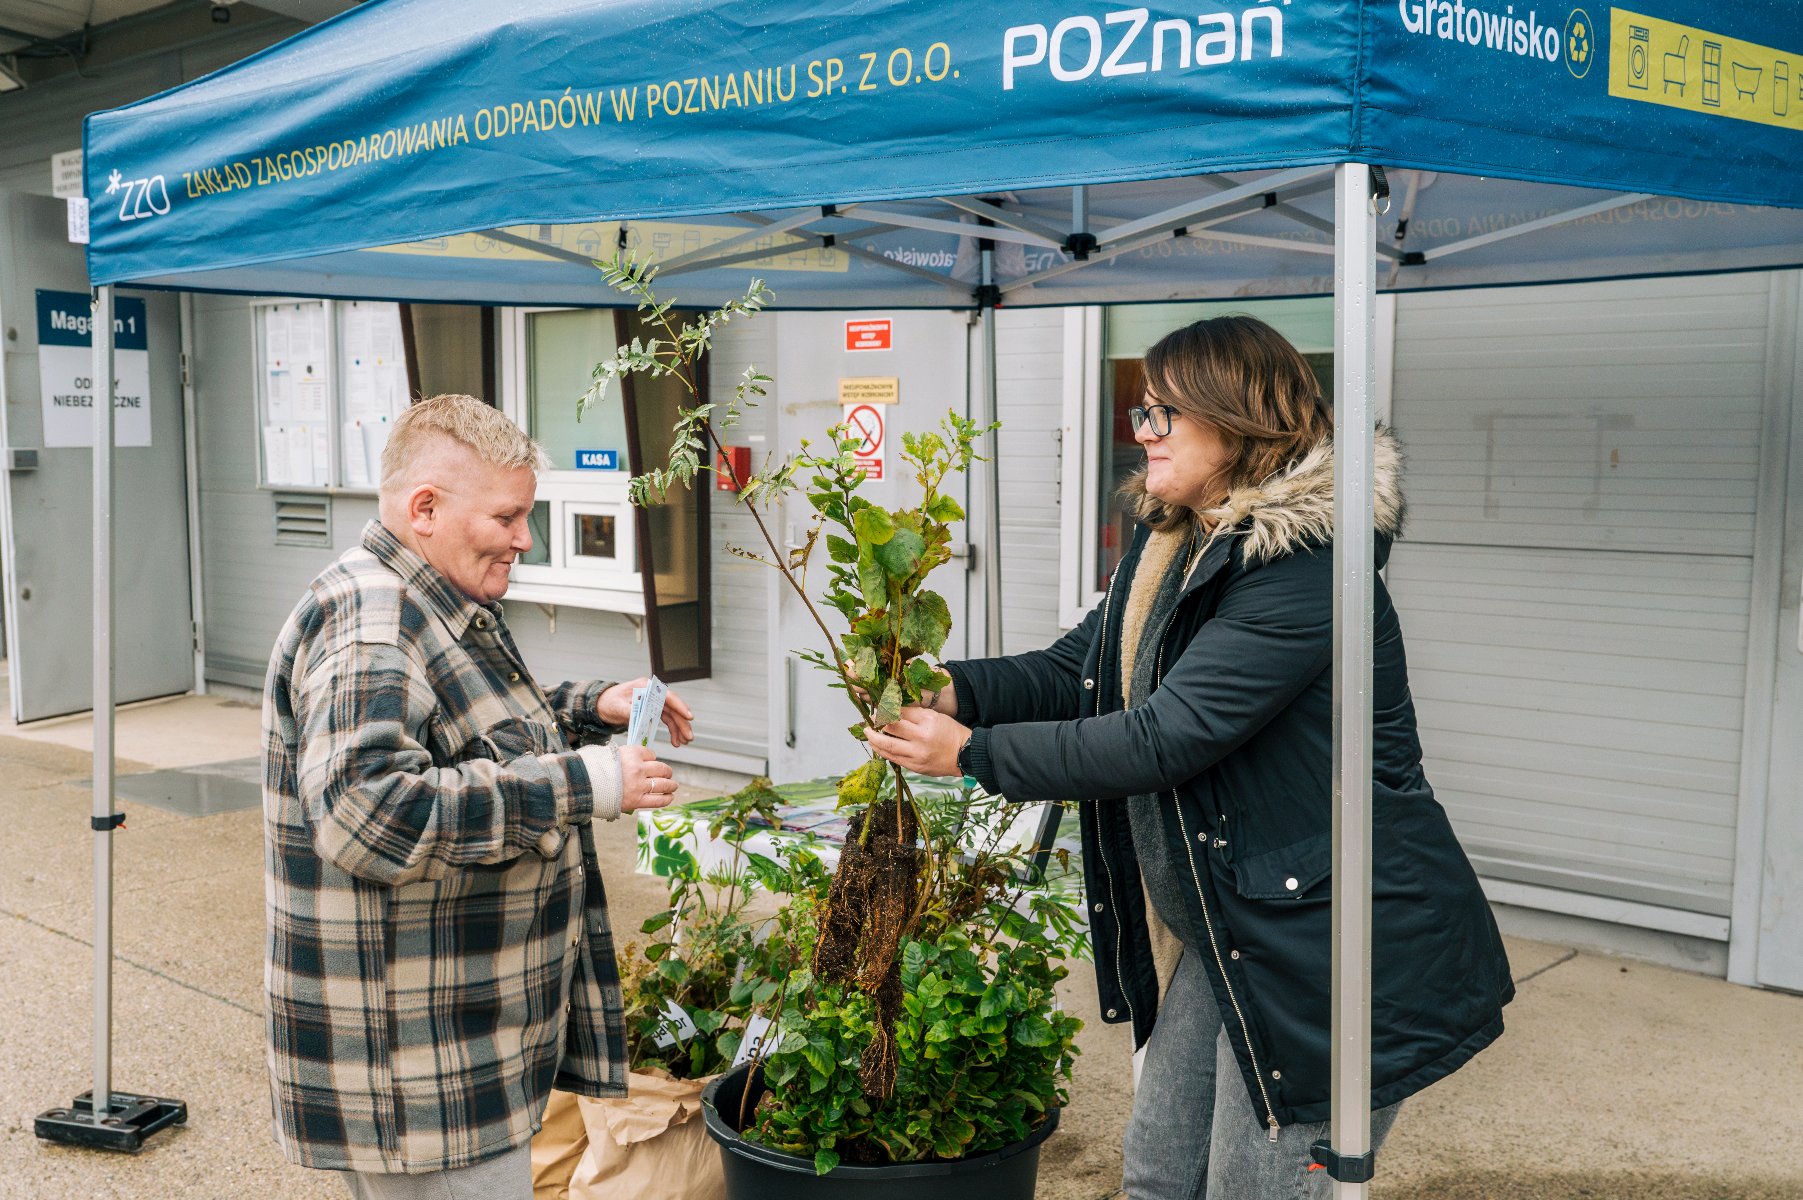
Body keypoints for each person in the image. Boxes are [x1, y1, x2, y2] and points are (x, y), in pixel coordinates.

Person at [866, 316, 1513, 1199]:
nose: (1142, 434)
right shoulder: (1177, 540)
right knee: (1160, 1175)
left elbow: (1168, 735)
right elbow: (1081, 670)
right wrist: (951, 692)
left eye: (1163, 414)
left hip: (1331, 945)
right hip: (1236, 927)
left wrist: (974, 754)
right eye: (1140, 412)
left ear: (1237, 418)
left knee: (1254, 1189)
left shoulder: (1307, 564)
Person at [261, 393, 695, 1199]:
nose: (524, 539)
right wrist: (588, 780)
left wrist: (585, 707)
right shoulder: (373, 621)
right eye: (507, 517)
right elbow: (370, 814)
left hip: (458, 1053)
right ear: (424, 508)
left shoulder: (431, 598)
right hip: (422, 1075)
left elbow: (462, 724)